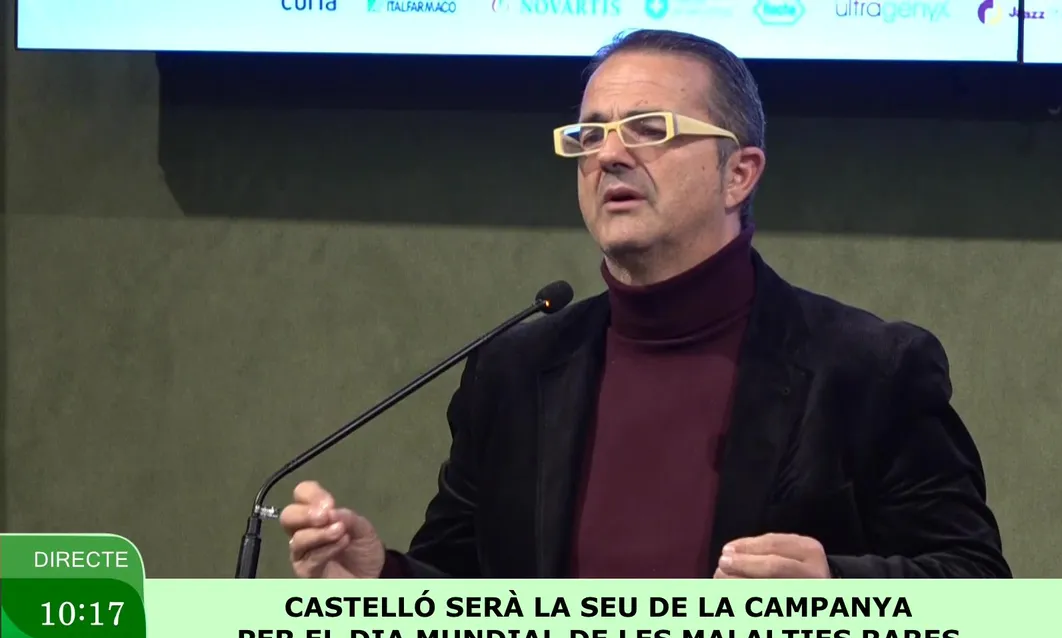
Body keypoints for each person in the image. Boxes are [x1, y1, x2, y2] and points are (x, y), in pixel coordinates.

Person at [281, 29, 1011, 586]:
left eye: (650, 130)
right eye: (590, 134)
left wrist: (837, 593)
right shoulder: (515, 371)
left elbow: (978, 588)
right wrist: (379, 584)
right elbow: (469, 599)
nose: (608, 156)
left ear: (738, 174)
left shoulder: (867, 368)